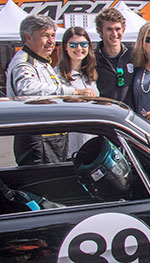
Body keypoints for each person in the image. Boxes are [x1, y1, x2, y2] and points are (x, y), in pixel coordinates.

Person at [6, 15, 94, 165]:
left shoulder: (42, 61)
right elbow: (28, 90)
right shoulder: (25, 62)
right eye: (45, 36)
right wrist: (73, 92)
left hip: (52, 139)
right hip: (37, 139)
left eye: (53, 36)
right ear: (28, 37)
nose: (51, 41)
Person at [55, 26, 99, 157]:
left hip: (92, 139)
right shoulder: (57, 75)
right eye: (73, 44)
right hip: (70, 147)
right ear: (65, 47)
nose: (79, 48)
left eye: (83, 44)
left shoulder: (91, 74)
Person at [94, 8, 134, 108]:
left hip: (131, 118)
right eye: (109, 29)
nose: (114, 34)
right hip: (106, 119)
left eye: (117, 29)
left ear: (123, 29)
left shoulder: (134, 55)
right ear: (100, 31)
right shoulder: (92, 59)